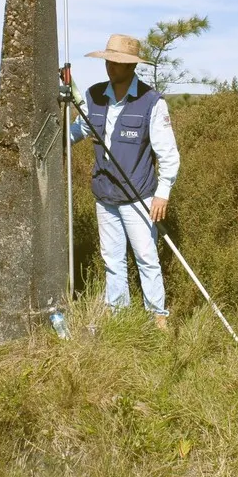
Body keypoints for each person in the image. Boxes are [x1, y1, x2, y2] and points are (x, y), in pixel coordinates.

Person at [70, 34, 181, 329]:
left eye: (118, 62)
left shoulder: (151, 102)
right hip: (105, 195)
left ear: (132, 66)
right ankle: (119, 316)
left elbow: (168, 154)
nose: (111, 66)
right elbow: (80, 129)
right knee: (112, 259)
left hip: (139, 196)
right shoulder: (94, 96)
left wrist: (163, 193)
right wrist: (60, 138)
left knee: (146, 258)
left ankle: (158, 316)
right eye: (108, 60)